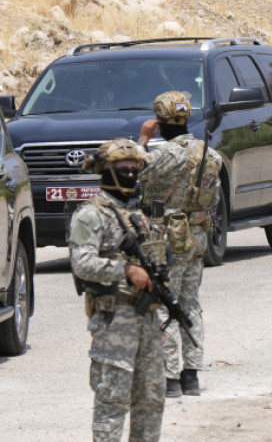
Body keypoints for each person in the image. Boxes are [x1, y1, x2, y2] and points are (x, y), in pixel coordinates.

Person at [68, 138, 165, 442]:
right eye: (123, 168)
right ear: (105, 170)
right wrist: (125, 270)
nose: (130, 173)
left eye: (134, 168)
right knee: (112, 402)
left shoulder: (140, 215)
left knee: (151, 400)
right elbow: (82, 264)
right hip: (114, 321)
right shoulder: (90, 215)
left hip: (148, 319)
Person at [137, 91, 223, 399]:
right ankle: (191, 375)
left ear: (160, 122)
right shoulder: (210, 155)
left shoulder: (164, 155)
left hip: (167, 239)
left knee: (164, 306)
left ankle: (169, 377)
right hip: (197, 237)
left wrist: (143, 139)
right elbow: (214, 197)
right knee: (190, 305)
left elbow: (133, 170)